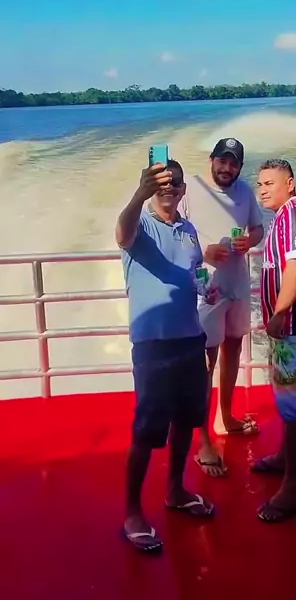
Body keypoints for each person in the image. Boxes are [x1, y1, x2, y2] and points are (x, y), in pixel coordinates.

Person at [115, 158, 214, 554]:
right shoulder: (140, 225)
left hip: (190, 339)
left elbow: (196, 271)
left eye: (175, 182)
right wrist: (139, 194)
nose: (168, 187)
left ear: (183, 189)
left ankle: (175, 491)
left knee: (186, 422)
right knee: (147, 431)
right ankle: (132, 512)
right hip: (153, 346)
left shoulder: (188, 231)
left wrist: (207, 287)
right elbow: (122, 234)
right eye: (161, 182)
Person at [179, 138, 264, 476]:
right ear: (211, 160)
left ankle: (225, 417)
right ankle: (203, 440)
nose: (227, 168)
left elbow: (258, 228)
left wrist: (250, 240)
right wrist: (204, 251)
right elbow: (175, 232)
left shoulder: (245, 193)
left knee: (233, 349)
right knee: (205, 361)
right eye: (222, 161)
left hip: (237, 284)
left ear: (240, 167)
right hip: (206, 289)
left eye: (233, 163)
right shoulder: (191, 190)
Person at [252, 158, 296, 522]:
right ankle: (284, 458)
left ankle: (294, 488)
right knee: (285, 400)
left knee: (294, 408)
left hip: (295, 327)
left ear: (290, 184)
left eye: (270, 183)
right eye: (260, 184)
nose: (262, 190)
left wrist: (279, 314)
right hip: (285, 330)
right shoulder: (280, 219)